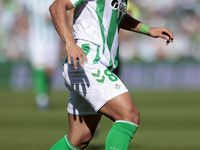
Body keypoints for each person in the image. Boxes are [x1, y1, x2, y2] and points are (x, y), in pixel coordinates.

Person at [49, 0, 174, 149]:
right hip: (87, 62)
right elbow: (57, 6)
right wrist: (69, 42)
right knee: (129, 116)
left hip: (94, 66)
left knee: (79, 138)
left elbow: (116, 17)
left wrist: (148, 30)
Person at [24, 0, 61, 110]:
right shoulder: (31, 2)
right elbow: (24, 15)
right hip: (36, 40)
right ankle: (41, 99)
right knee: (39, 65)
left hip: (52, 40)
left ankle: (44, 94)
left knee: (50, 71)